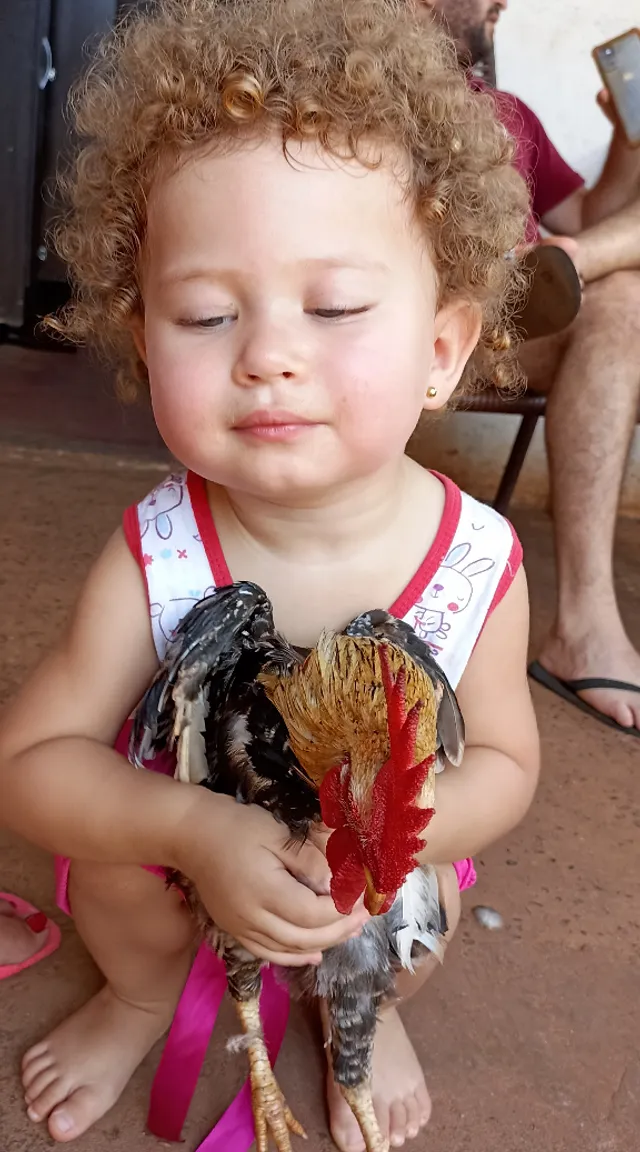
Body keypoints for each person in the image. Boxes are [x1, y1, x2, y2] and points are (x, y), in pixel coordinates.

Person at [0, 2, 540, 1149]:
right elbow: (30, 765)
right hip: (176, 845)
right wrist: (192, 831)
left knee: (413, 921)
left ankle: (365, 1012)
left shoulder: (477, 561)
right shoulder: (161, 548)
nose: (267, 354)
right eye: (204, 314)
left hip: (373, 864)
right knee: (116, 878)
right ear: (144, 345)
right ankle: (143, 995)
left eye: (336, 305)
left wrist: (397, 830)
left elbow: (503, 764)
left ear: (442, 350)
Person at [418, 0, 640, 736]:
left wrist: (628, 137)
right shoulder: (368, 96)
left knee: (620, 300)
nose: (502, 3)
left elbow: (588, 211)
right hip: (433, 320)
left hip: (525, 323)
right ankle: (584, 631)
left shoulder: (510, 112)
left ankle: (584, 628)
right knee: (621, 290)